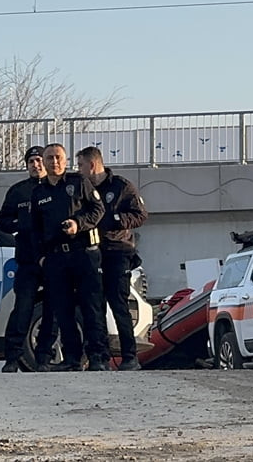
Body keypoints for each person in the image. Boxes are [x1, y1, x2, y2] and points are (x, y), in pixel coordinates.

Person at [30, 143, 109, 372]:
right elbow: (34, 230)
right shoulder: (39, 192)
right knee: (62, 310)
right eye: (49, 158)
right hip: (55, 258)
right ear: (43, 162)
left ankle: (97, 357)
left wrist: (78, 224)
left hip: (83, 253)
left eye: (58, 158)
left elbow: (98, 210)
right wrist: (41, 258)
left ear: (65, 161)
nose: (54, 162)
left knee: (91, 308)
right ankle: (72, 358)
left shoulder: (78, 183)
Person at [77, 146, 148, 371]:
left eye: (80, 165)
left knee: (119, 305)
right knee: (94, 306)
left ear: (92, 164)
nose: (78, 170)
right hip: (91, 252)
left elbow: (140, 215)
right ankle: (99, 357)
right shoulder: (80, 189)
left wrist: (113, 219)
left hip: (117, 251)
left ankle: (129, 356)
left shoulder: (121, 186)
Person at [0, 145, 57, 372]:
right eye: (31, 161)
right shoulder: (18, 191)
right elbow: (3, 222)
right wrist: (22, 224)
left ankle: (43, 359)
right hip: (27, 260)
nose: (36, 165)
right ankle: (12, 358)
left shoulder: (57, 188)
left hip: (52, 260)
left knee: (51, 311)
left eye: (40, 160)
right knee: (22, 309)